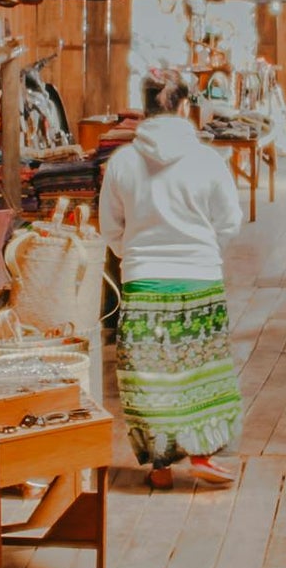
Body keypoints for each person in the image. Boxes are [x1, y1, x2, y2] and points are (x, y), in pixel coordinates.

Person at [97, 107, 247, 489]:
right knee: (199, 372)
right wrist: (204, 253)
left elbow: (110, 227)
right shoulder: (207, 161)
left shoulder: (123, 161)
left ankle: (159, 468)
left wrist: (132, 256)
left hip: (144, 280)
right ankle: (201, 455)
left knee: (149, 376)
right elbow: (229, 221)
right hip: (199, 278)